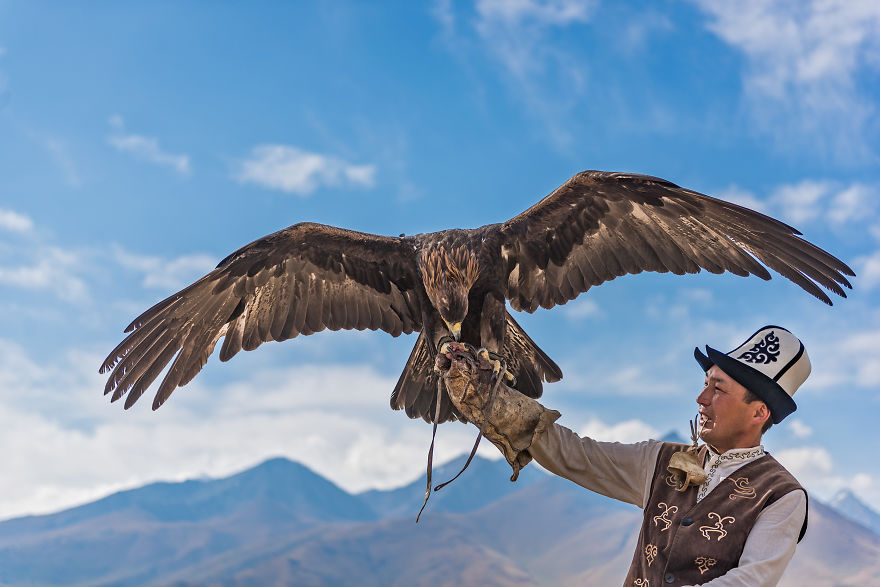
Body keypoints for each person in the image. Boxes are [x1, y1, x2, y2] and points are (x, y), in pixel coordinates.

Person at [438, 325, 810, 586]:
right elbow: (576, 455)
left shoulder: (781, 496)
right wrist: (493, 398)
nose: (701, 399)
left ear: (759, 413)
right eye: (704, 384)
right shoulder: (661, 460)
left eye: (719, 389)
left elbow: (751, 581)